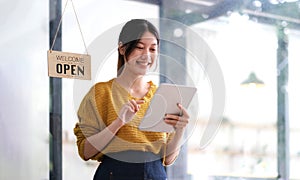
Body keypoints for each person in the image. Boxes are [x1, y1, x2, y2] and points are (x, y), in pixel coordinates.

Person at [74, 19, 190, 180]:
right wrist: (119, 122)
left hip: (155, 174)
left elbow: (168, 159)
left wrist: (180, 130)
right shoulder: (101, 93)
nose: (147, 55)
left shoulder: (162, 95)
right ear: (122, 48)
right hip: (114, 174)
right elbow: (85, 152)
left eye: (153, 49)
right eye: (140, 48)